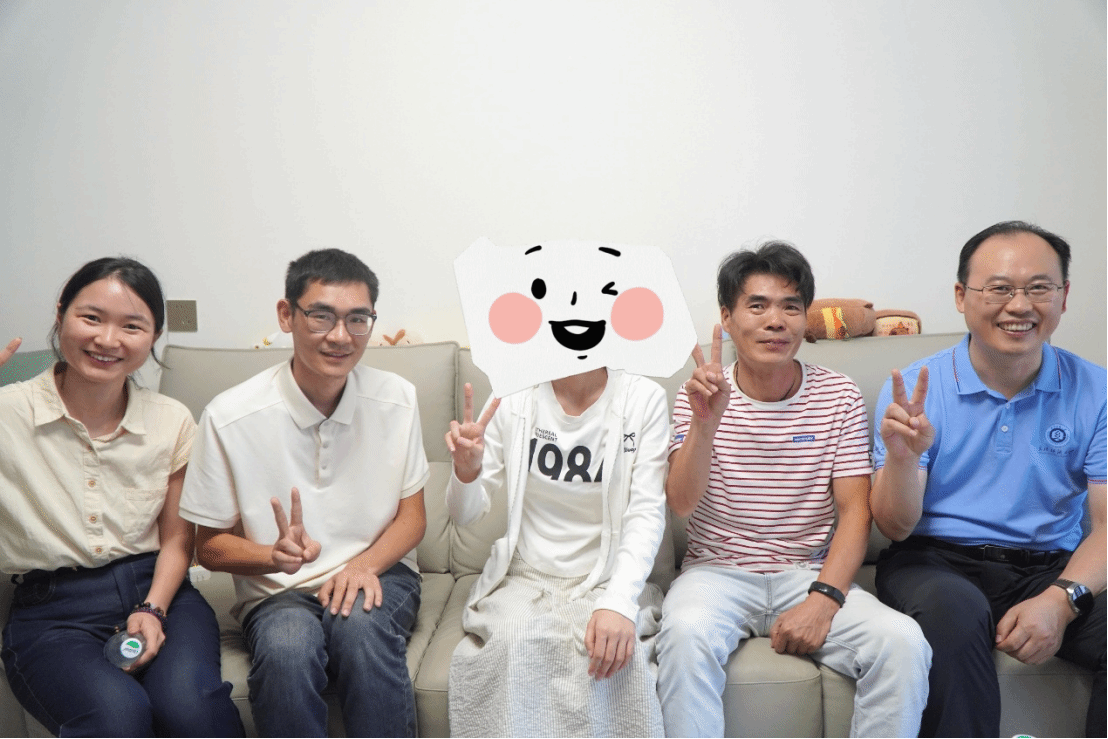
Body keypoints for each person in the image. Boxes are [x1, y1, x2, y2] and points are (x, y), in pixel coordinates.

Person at [656, 241, 931, 737]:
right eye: (757, 305)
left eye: (790, 307)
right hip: (716, 573)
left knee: (904, 641)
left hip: (808, 572)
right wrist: (704, 425)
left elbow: (856, 513)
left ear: (806, 319)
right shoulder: (699, 393)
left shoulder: (838, 394)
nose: (775, 321)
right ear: (727, 317)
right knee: (683, 634)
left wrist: (823, 600)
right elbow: (681, 503)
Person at [177, 248, 428, 738]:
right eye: (321, 316)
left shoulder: (397, 397)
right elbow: (208, 547)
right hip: (278, 591)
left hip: (379, 572)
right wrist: (271, 556)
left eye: (357, 319)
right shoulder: (229, 416)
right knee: (287, 648)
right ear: (286, 315)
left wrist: (361, 566)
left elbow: (413, 518)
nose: (340, 336)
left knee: (358, 627)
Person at [870, 221, 1106, 738]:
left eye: (1039, 288)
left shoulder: (1097, 390)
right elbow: (895, 527)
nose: (1019, 306)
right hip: (934, 562)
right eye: (999, 288)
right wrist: (904, 459)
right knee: (954, 615)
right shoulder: (916, 388)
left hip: (1050, 565)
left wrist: (1059, 601)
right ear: (962, 296)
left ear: (1064, 297)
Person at [0, 258, 243, 737]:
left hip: (160, 591)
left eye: (132, 326)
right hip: (51, 610)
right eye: (91, 318)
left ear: (154, 337)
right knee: (117, 717)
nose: (108, 340)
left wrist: (152, 609)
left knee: (191, 711)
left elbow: (178, 540)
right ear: (61, 315)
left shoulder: (171, 419)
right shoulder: (7, 412)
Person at [445, 366, 669, 737]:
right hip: (526, 576)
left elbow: (646, 512)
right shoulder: (512, 394)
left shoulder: (643, 397)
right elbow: (464, 515)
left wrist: (618, 602)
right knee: (514, 642)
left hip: (609, 577)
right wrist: (466, 471)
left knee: (615, 659)